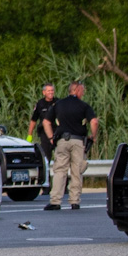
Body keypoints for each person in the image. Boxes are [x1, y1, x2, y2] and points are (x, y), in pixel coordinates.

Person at [46, 80, 99, 211]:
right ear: (76, 90)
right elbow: (94, 121)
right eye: (82, 91)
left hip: (62, 141)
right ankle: (74, 201)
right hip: (78, 141)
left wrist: (51, 138)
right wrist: (93, 135)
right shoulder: (83, 106)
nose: (83, 93)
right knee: (77, 171)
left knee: (59, 171)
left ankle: (55, 201)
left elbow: (46, 121)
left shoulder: (58, 104)